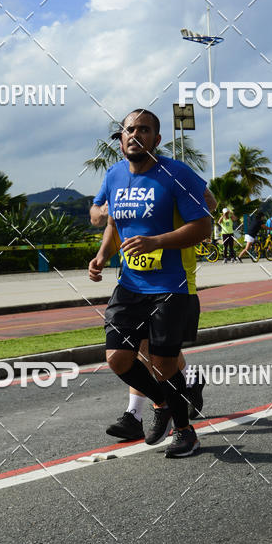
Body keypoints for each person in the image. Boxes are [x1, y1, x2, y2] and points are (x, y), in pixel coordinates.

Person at [88, 108, 212, 457]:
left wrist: (156, 241)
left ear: (156, 139)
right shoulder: (114, 175)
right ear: (121, 139)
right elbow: (112, 223)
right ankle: (162, 402)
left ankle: (185, 432)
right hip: (130, 285)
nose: (134, 135)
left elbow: (204, 227)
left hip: (171, 286)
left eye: (143, 130)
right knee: (117, 358)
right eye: (129, 129)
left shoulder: (176, 174)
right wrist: (102, 256)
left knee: (163, 363)